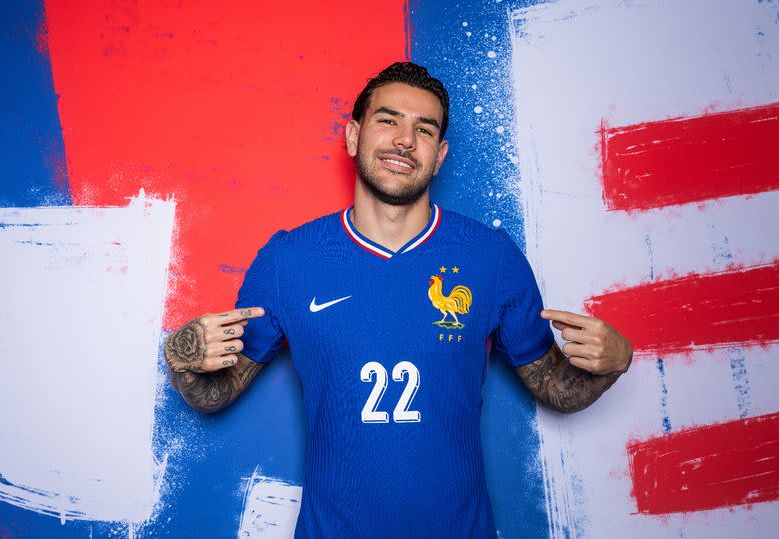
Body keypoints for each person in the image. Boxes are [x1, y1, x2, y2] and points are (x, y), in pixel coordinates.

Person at [164, 62, 632, 538]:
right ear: (352, 136)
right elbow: (215, 393)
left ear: (440, 153)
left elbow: (555, 385)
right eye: (388, 120)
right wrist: (181, 353)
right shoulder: (290, 260)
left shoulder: (491, 257)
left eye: (423, 129)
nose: (405, 140)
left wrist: (614, 362)